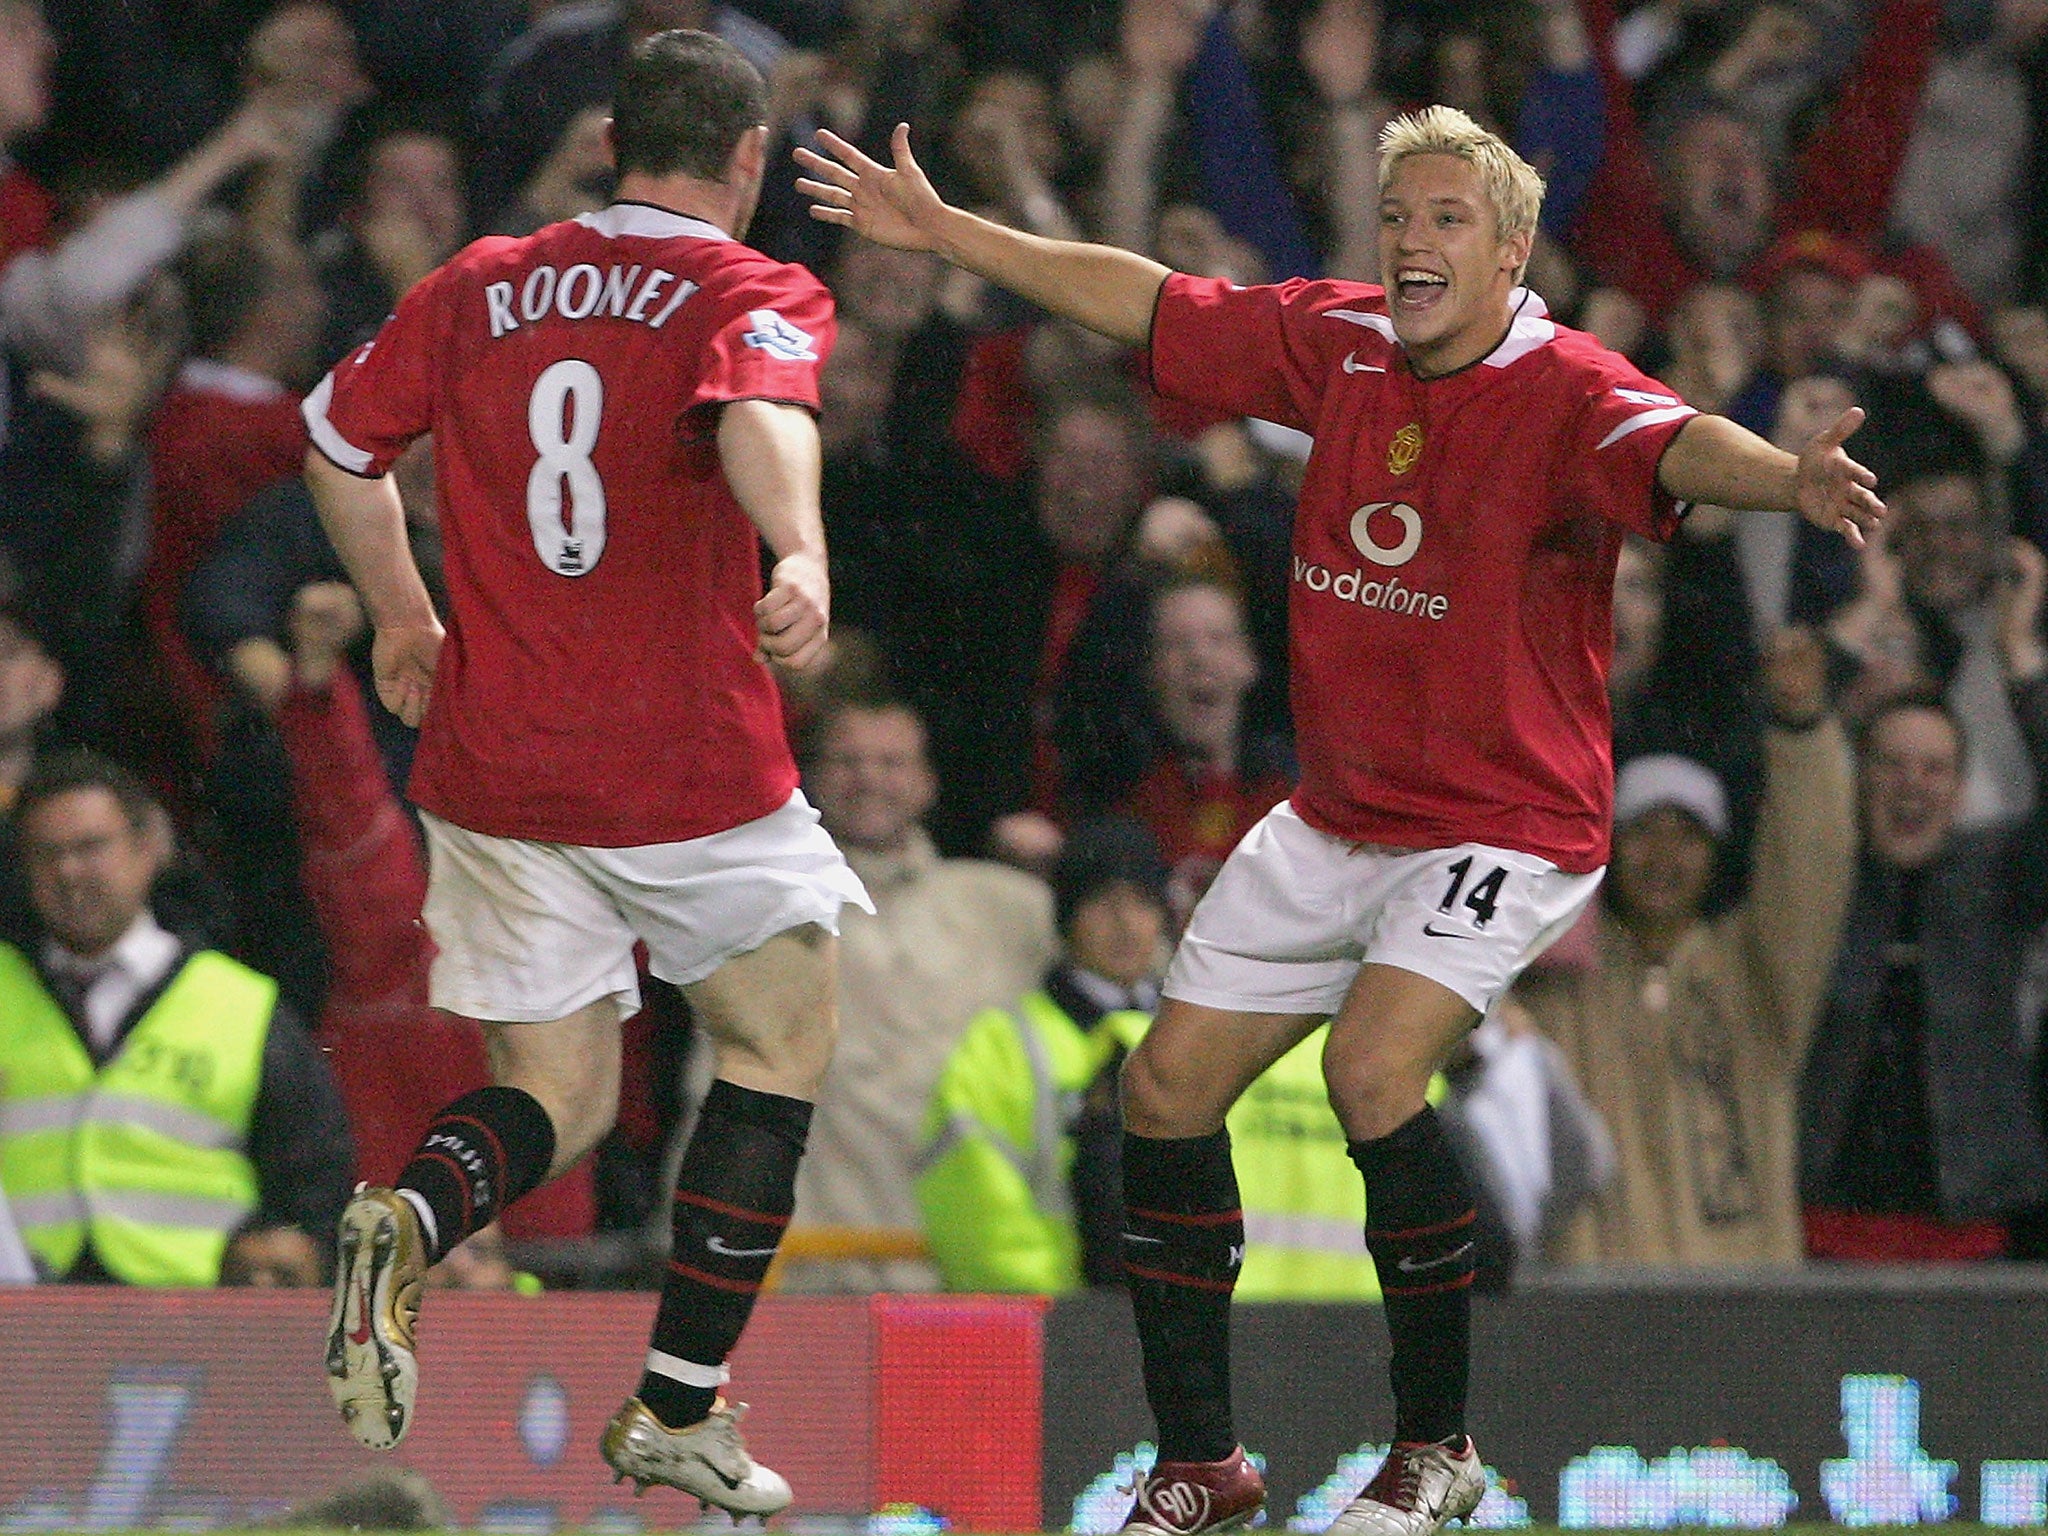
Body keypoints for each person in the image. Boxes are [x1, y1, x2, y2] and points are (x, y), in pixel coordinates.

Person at [797, 101, 1883, 1536]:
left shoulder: (1563, 384)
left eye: (1447, 221)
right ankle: (1203, 1466)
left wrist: (1790, 482)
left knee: (1376, 1072)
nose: (1414, 243)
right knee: (1163, 1095)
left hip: (1505, 821)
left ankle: (1437, 1447)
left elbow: (1677, 441)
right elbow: (1151, 301)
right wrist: (949, 233)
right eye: (1398, 217)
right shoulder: (1344, 341)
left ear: (1510, 252)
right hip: (1339, 815)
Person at [304, 30, 869, 1518]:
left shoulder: (480, 280)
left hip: (490, 765)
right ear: (747, 161)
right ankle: (679, 1404)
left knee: (555, 1090)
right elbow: (759, 411)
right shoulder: (749, 285)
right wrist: (800, 550)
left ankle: (411, 1219)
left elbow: (333, 441)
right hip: (684, 766)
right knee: (778, 1039)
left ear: (615, 142)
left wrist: (402, 613)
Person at [919, 816, 1389, 1301]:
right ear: (1067, 919)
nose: (1124, 924)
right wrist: (1058, 1308)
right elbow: (975, 1198)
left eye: (1142, 903)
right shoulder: (1006, 1044)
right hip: (1069, 1320)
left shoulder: (1208, 1031)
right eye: (1102, 903)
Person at [1512, 629, 1856, 1267]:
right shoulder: (1555, 980)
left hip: (1740, 1312)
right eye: (1644, 831)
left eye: (1688, 835)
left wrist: (1803, 730)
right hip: (1594, 1313)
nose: (1664, 856)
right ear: (1610, 847)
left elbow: (1812, 865)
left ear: (1717, 854)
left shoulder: (1758, 976)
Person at [0, 750, 353, 1287]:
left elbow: (315, 1184)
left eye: (90, 847)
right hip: (24, 1316)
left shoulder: (242, 1004)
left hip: (196, 1321)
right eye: (46, 853)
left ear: (150, 847)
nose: (69, 871)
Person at [777, 695, 1057, 1292]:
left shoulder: (1010, 906)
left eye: (892, 762)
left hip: (973, 1273)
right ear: (813, 777)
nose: (869, 779)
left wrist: (1067, 870)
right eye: (848, 761)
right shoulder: (769, 907)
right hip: (812, 1273)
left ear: (928, 783)